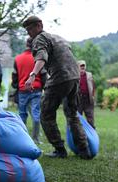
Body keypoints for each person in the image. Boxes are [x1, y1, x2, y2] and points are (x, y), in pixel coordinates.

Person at [22, 15, 92, 159]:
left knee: (46, 114)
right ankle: (84, 150)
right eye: (27, 30)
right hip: (75, 76)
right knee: (72, 114)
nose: (29, 33)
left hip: (60, 78)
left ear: (39, 25)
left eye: (30, 29)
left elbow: (41, 57)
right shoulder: (58, 37)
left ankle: (59, 149)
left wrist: (32, 75)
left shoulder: (40, 39)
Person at [11, 38, 47, 144]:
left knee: (22, 114)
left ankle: (22, 138)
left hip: (22, 90)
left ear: (26, 45)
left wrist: (17, 86)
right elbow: (43, 74)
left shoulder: (18, 58)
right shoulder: (38, 59)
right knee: (36, 114)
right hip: (36, 89)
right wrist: (44, 87)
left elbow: (14, 75)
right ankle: (35, 139)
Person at [77, 60, 96, 129]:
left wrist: (93, 96)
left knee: (90, 118)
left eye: (83, 65)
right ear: (78, 67)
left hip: (88, 99)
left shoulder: (89, 75)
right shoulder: (75, 75)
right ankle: (79, 133)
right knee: (78, 117)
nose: (82, 67)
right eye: (81, 66)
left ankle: (92, 134)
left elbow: (93, 86)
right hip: (79, 99)